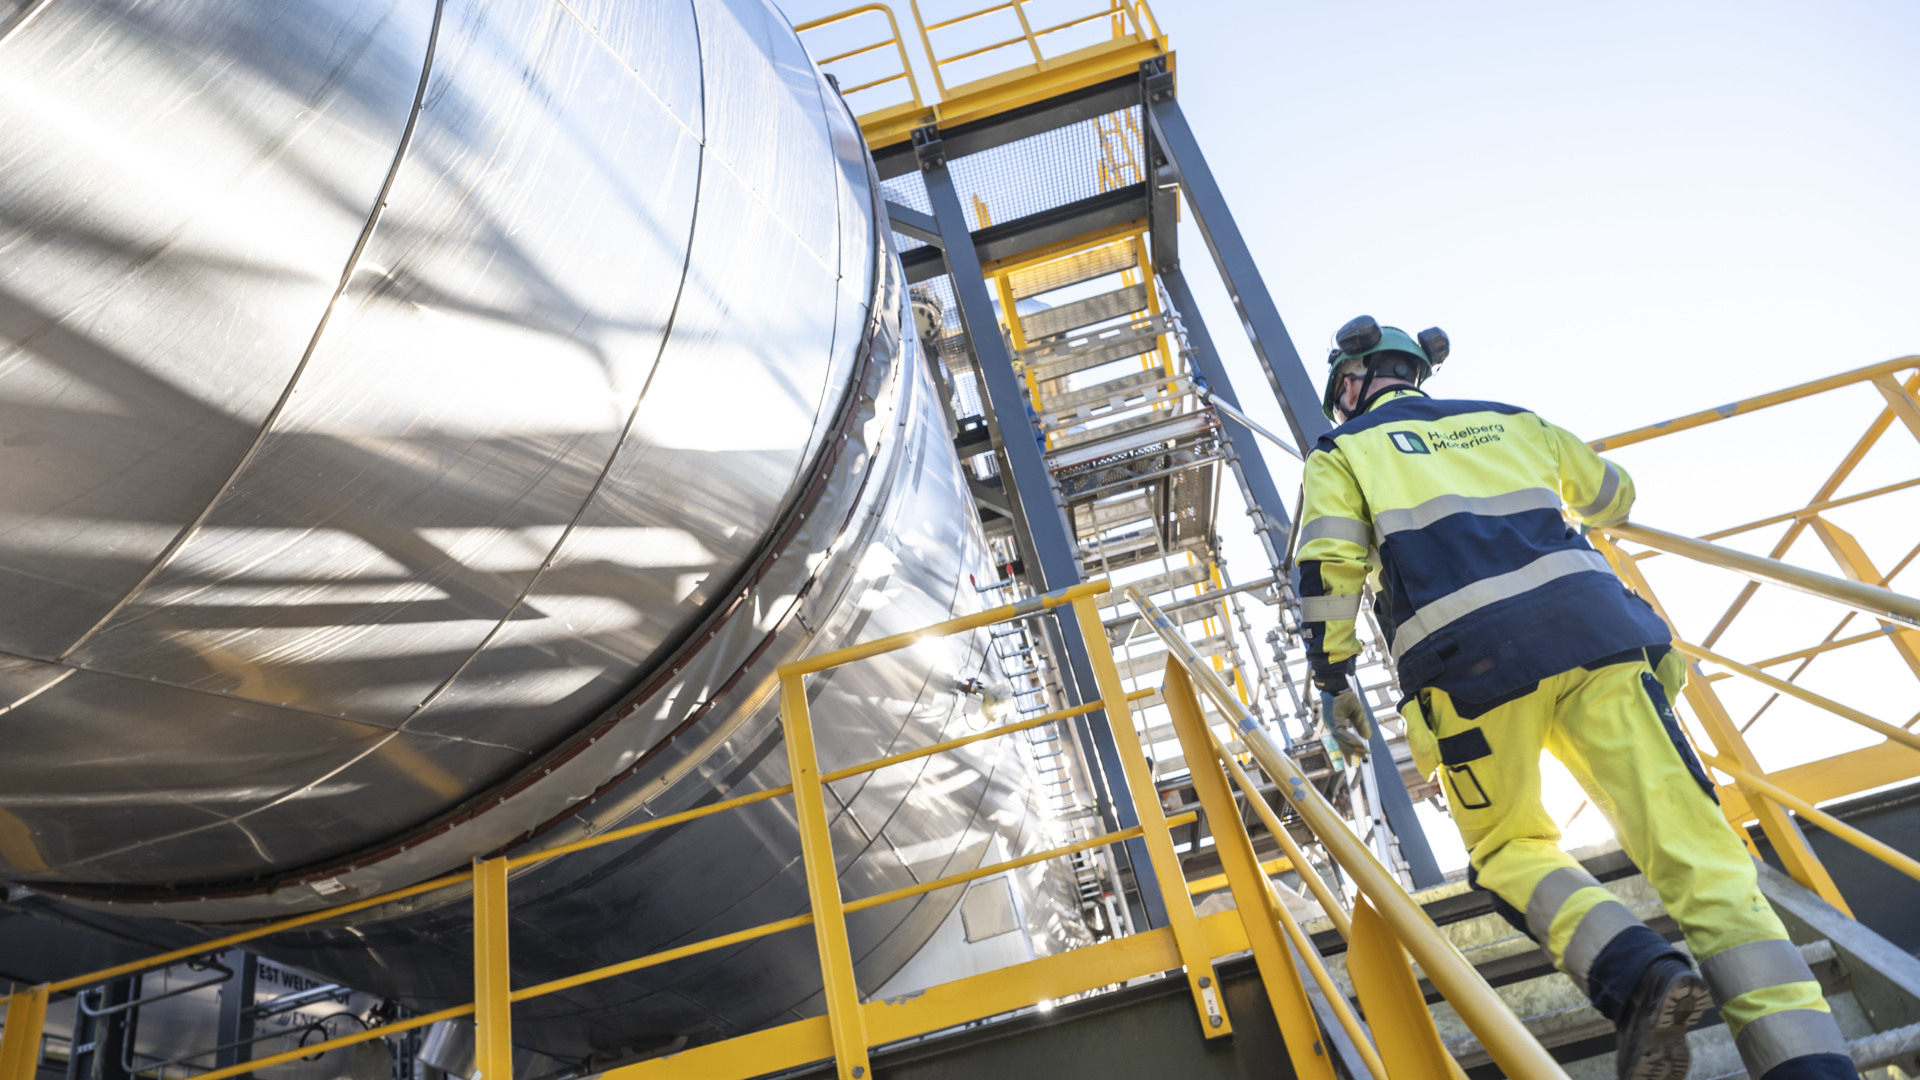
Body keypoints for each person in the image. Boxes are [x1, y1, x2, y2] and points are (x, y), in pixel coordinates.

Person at [1295, 316, 1856, 1080]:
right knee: (1703, 862)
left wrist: (1333, 680)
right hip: (1603, 641)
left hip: (1469, 672)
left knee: (1508, 851)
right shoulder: (1510, 419)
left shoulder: (1344, 450)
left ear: (1352, 385)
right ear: (1415, 371)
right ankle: (1811, 1068)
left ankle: (1639, 975)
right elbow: (1613, 496)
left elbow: (1329, 566)